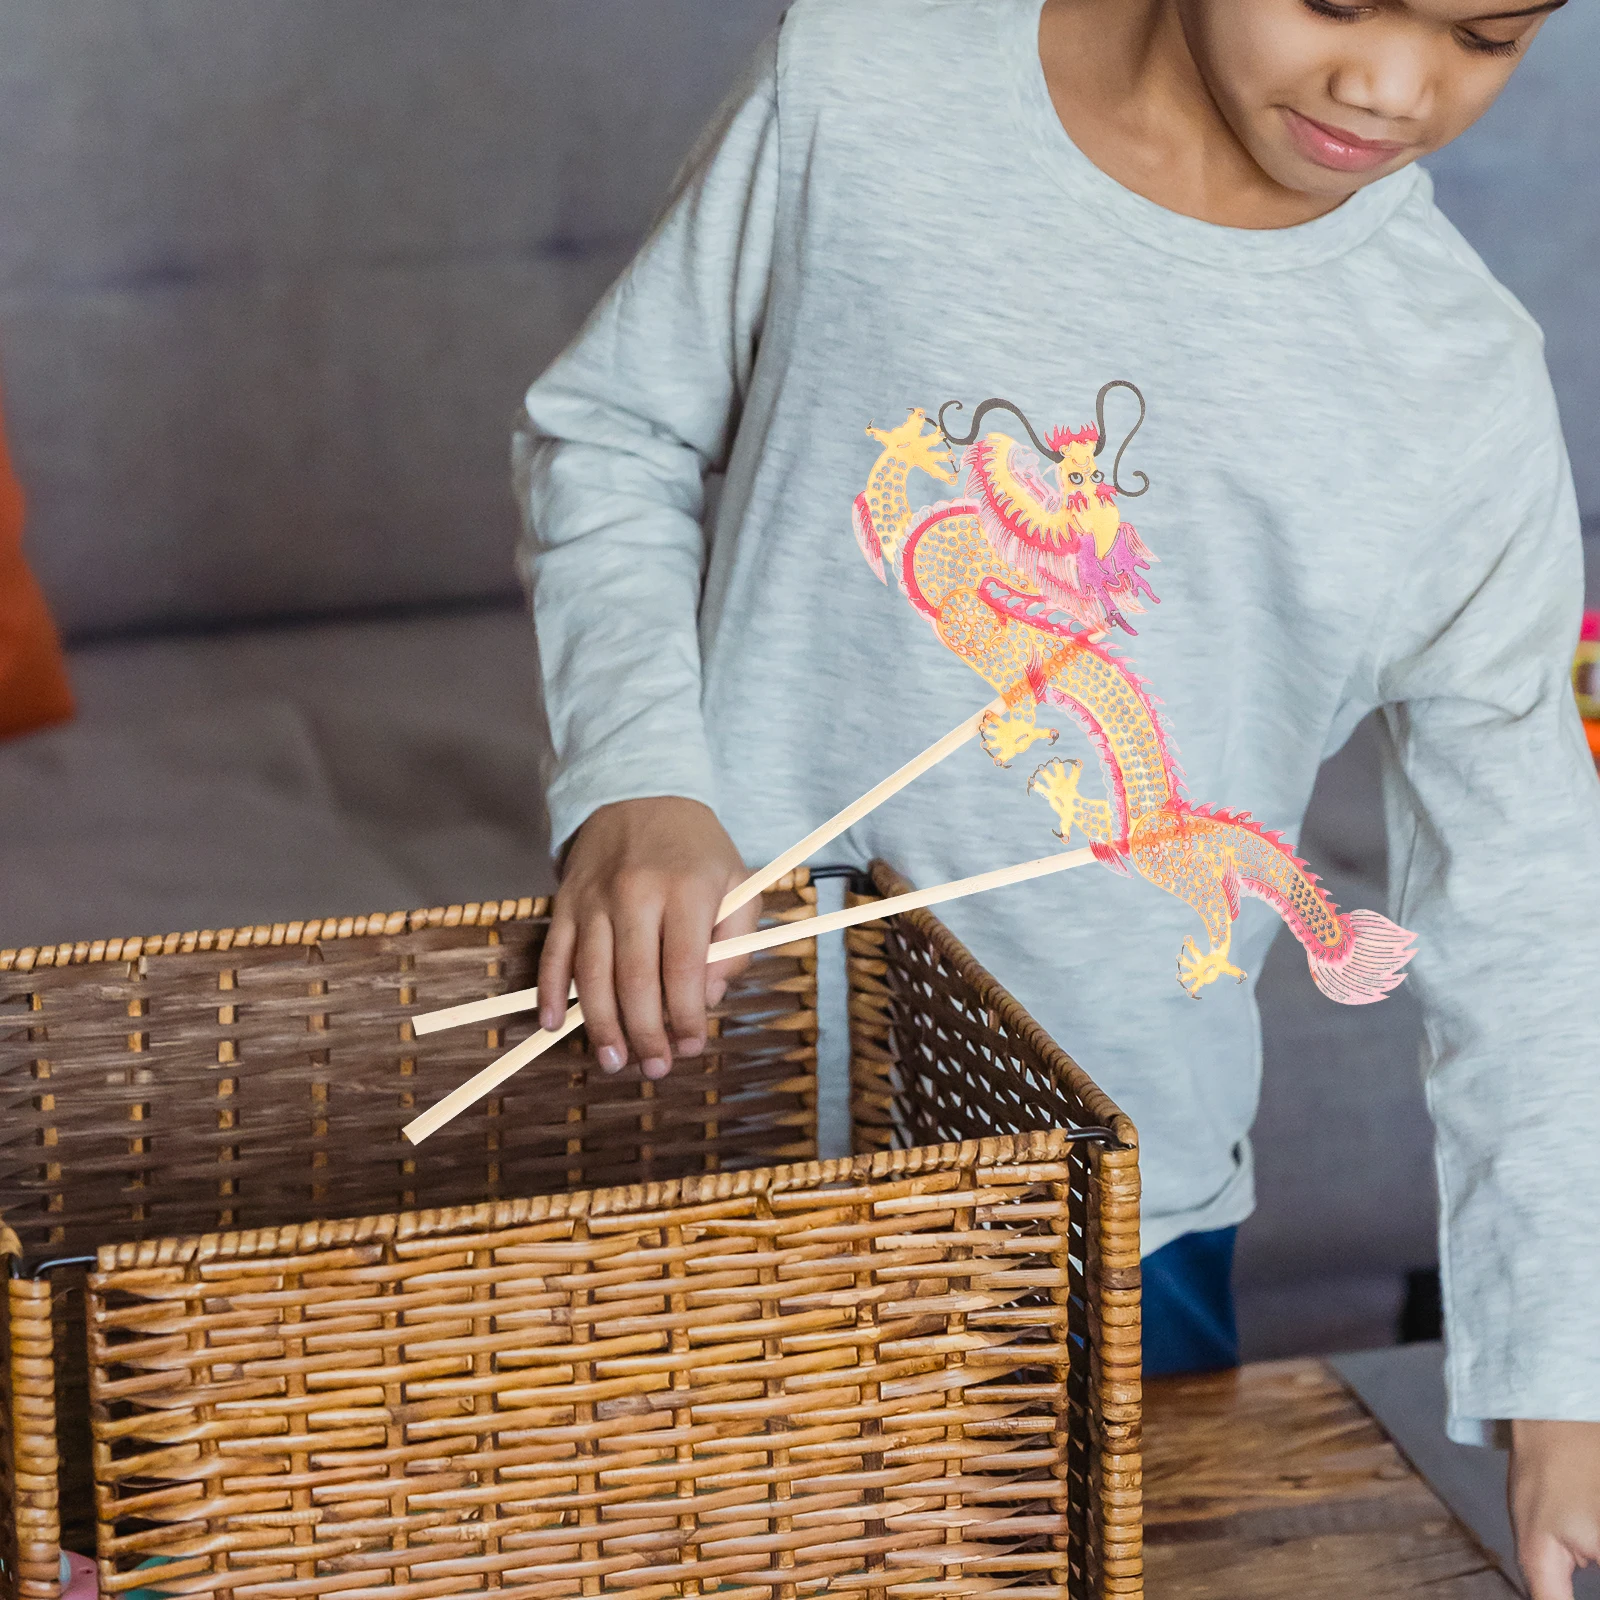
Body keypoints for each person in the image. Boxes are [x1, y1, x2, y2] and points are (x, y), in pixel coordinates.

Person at [514, 0, 1600, 1592]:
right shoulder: (860, 77)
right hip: (693, 1122)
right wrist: (636, 781)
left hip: (1113, 1217)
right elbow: (608, 429)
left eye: (1485, 36)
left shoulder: (1462, 382)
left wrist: (1557, 1368)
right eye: (1336, 1)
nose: (1390, 85)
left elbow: (1520, 892)